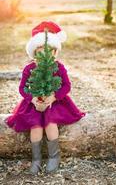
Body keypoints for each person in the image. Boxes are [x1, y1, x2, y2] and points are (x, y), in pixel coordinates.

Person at [5, 21, 86, 175]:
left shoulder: (59, 67)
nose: (47, 56)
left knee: (50, 123)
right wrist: (33, 99)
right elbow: (22, 88)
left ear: (55, 53)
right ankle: (36, 159)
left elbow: (67, 86)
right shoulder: (29, 68)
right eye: (42, 52)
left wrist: (54, 97)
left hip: (55, 102)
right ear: (35, 53)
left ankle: (54, 157)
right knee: (35, 126)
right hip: (34, 102)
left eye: (51, 52)